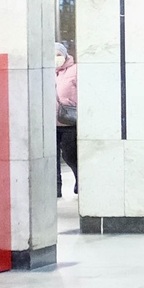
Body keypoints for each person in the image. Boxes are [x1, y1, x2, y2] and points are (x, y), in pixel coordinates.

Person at [54, 42, 79, 196]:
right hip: (50, 123)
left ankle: (81, 180)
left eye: (58, 55)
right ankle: (55, 189)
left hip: (69, 121)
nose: (56, 59)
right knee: (52, 159)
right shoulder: (45, 71)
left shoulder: (75, 71)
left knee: (69, 155)